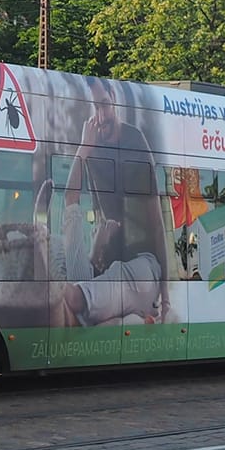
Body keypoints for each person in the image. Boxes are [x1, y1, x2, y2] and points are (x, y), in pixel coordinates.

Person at [51, 79, 166, 325]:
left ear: (113, 96)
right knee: (58, 243)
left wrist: (166, 293)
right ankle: (78, 293)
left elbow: (157, 223)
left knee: (123, 275)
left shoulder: (135, 140)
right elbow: (71, 201)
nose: (101, 116)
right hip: (105, 268)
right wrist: (84, 149)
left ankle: (78, 297)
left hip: (144, 266)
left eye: (104, 105)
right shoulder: (93, 148)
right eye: (95, 109)